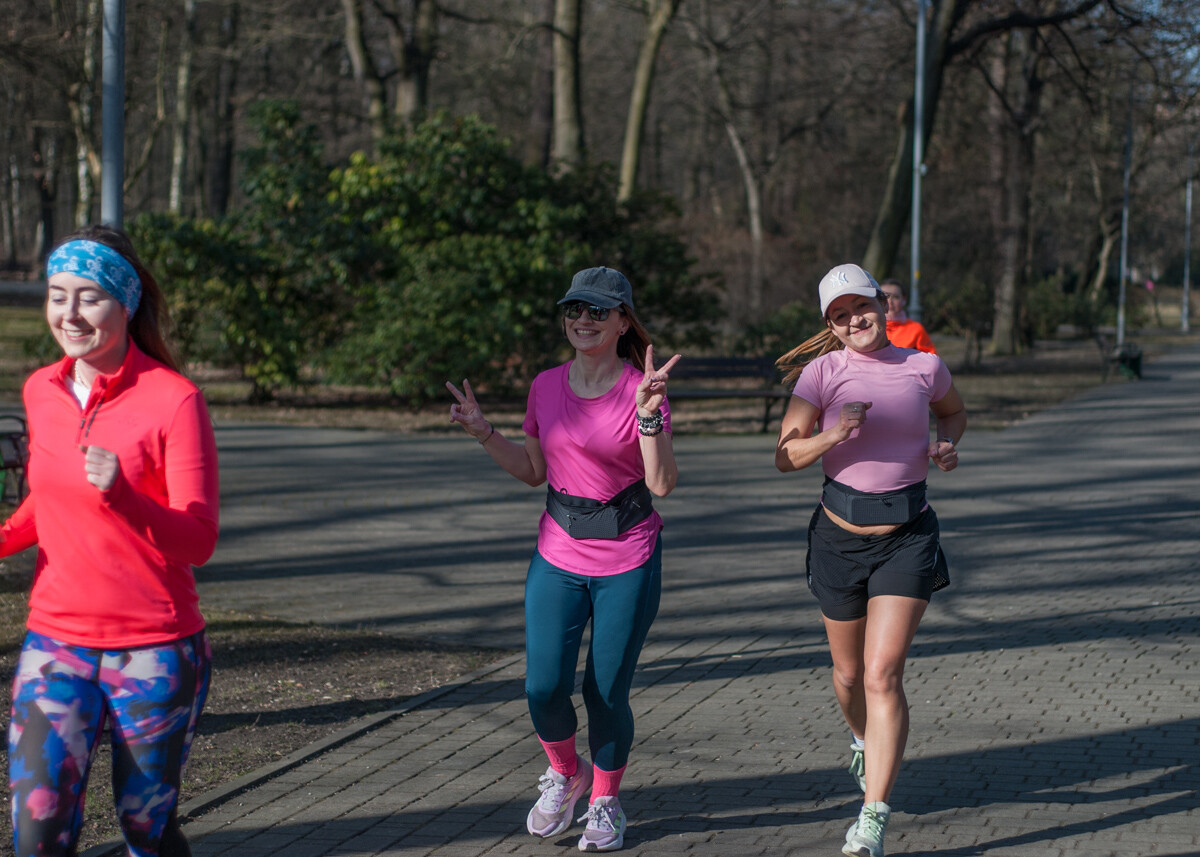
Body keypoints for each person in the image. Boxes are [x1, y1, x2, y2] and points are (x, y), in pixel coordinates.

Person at [0, 226, 220, 857]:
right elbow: (46, 498)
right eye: (56, 294)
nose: (69, 314)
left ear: (125, 304)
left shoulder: (174, 400)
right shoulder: (41, 390)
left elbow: (198, 539)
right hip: (56, 643)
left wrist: (124, 495)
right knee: (37, 833)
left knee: (145, 829)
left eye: (89, 296)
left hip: (153, 651)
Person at [446, 266, 679, 853]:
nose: (582, 320)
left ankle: (604, 801)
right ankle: (565, 771)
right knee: (543, 686)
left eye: (598, 311)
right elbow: (532, 472)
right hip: (558, 551)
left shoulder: (641, 389)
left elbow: (662, 482)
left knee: (604, 692)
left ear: (623, 321)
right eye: (574, 310)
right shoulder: (546, 386)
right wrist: (482, 431)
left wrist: (650, 411)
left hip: (627, 556)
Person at [774, 264, 965, 857]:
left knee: (883, 674)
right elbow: (785, 457)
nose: (855, 319)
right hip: (838, 539)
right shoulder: (821, 372)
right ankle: (861, 737)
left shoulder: (923, 366)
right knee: (850, 676)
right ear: (829, 324)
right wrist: (833, 435)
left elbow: (953, 413)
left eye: (863, 306)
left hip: (907, 536)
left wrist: (947, 445)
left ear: (883, 305)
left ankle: (873, 814)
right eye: (840, 314)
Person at [879, 278, 936, 354]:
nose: (890, 301)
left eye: (896, 297)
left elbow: (932, 360)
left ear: (904, 299)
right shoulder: (868, 327)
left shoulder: (916, 329)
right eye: (885, 297)